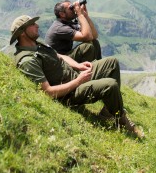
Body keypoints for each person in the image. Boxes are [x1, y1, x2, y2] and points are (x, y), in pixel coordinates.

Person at [9, 14, 144, 138]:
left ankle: (108, 113)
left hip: (75, 76)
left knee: (112, 63)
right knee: (110, 85)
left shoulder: (36, 45)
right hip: (68, 94)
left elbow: (59, 56)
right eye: (32, 24)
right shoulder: (27, 60)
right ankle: (120, 120)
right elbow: (48, 92)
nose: (37, 25)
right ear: (22, 33)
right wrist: (79, 81)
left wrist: (78, 66)